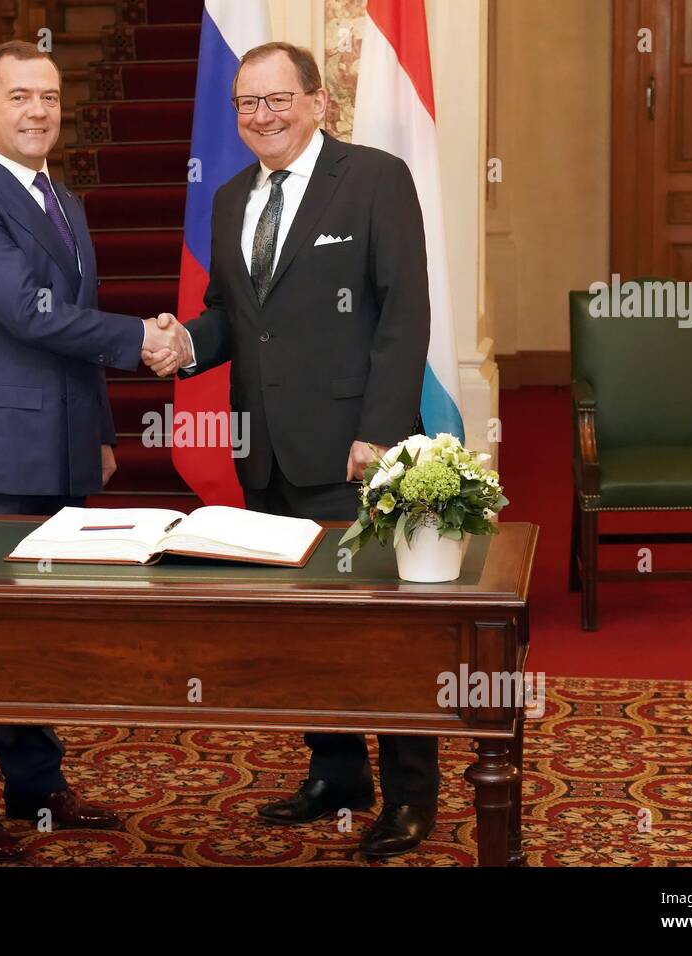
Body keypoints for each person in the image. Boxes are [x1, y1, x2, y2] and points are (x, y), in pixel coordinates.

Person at [145, 42, 437, 858]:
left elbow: (403, 313)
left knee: (379, 634)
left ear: (317, 102)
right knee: (305, 631)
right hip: (266, 453)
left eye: (277, 100)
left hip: (354, 452)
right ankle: (336, 775)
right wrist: (183, 348)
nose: (260, 117)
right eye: (247, 104)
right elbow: (232, 316)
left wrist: (378, 435)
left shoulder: (375, 178)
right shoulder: (233, 196)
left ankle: (411, 795)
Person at [0, 40, 186, 861]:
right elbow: (30, 314)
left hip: (66, 448)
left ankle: (38, 785)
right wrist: (142, 339)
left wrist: (104, 435)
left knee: (36, 633)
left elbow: (70, 325)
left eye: (49, 97)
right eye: (20, 97)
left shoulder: (63, 200)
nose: (38, 111)